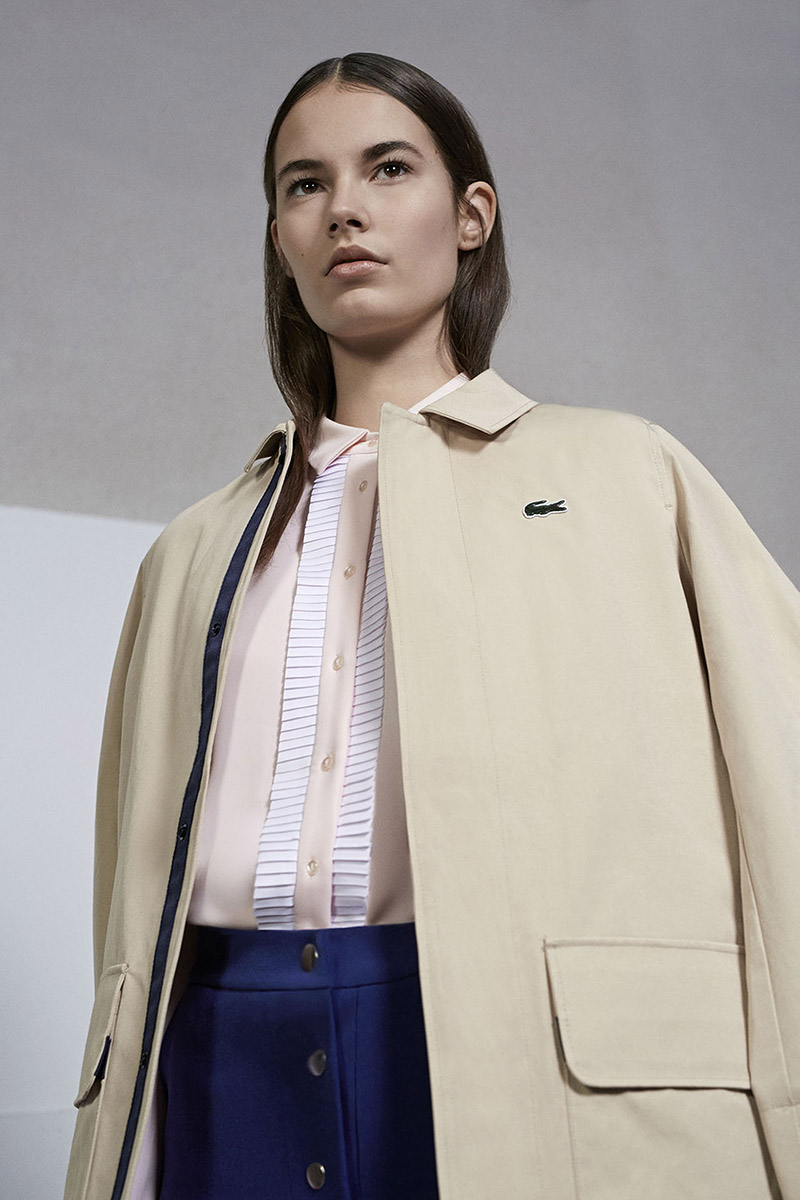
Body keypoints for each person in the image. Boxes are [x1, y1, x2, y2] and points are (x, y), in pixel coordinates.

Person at [63, 51, 800, 1200]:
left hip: (510, 1056)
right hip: (215, 1057)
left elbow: (781, 782)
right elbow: (128, 882)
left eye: (387, 168)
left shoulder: (626, 475)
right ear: (279, 239)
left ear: (470, 217)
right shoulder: (191, 551)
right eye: (303, 185)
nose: (342, 208)